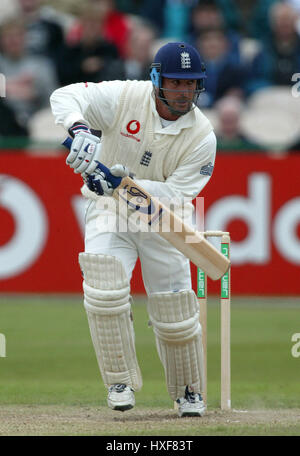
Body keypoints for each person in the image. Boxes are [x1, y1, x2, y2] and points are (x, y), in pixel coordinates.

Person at [50, 42, 216, 417]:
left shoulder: (203, 136)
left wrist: (124, 184)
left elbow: (176, 194)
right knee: (104, 288)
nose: (184, 92)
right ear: (156, 80)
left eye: (191, 84)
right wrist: (78, 130)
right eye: (176, 83)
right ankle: (119, 380)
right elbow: (65, 94)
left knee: (175, 314)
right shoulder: (126, 96)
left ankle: (189, 391)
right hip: (110, 213)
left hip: (164, 222)